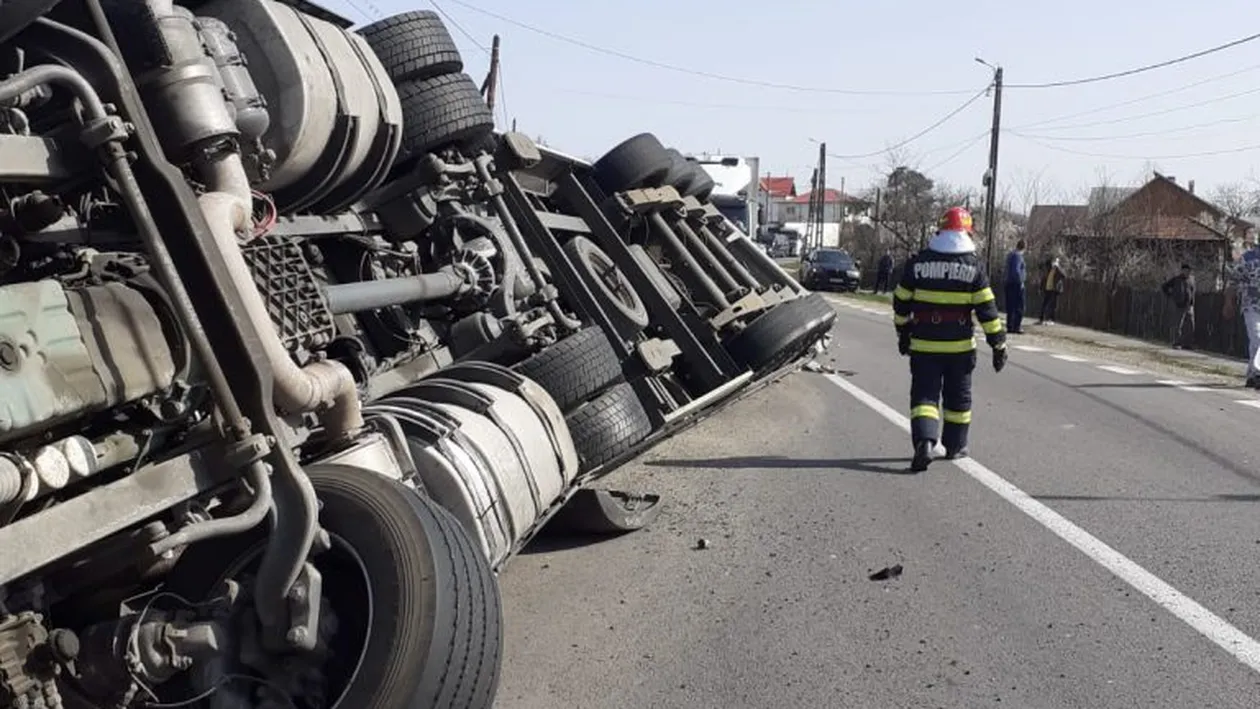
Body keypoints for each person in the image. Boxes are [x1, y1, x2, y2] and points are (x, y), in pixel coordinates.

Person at [893, 206, 1008, 472]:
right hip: (959, 350)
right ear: (967, 233)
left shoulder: (919, 262)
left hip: (924, 345)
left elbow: (900, 300)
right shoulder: (974, 267)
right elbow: (987, 311)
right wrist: (998, 344)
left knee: (925, 396)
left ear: (940, 230)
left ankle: (924, 442)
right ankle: (955, 446)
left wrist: (902, 331)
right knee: (958, 400)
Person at [1223, 236, 1260, 389]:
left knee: (1256, 343)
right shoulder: (1248, 259)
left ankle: (1252, 374)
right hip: (1252, 306)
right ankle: (1257, 374)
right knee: (1257, 337)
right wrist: (1228, 302)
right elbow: (1233, 280)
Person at [1160, 263, 1196, 349]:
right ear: (1183, 270)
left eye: (1189, 271)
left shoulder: (1192, 280)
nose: (1188, 272)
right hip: (1180, 305)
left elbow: (1193, 290)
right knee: (1178, 325)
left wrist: (1192, 301)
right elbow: (1164, 286)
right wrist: (1172, 295)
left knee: (1190, 325)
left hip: (1189, 306)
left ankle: (1187, 344)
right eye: (1186, 270)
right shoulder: (1177, 279)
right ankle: (1176, 343)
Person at [1003, 240, 1027, 334]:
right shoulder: (1018, 256)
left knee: (1010, 306)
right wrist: (1020, 282)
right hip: (1016, 284)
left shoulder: (1010, 255)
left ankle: (1010, 326)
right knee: (1020, 306)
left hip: (1008, 283)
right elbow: (1016, 271)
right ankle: (1016, 326)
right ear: (1024, 247)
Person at [1038, 256, 1066, 325]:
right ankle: (1041, 319)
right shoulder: (1048, 270)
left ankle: (1051, 319)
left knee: (1052, 306)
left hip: (1054, 290)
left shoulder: (1057, 270)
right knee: (1044, 304)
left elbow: (1063, 275)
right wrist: (1040, 288)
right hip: (1047, 289)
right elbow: (1044, 279)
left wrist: (1057, 267)